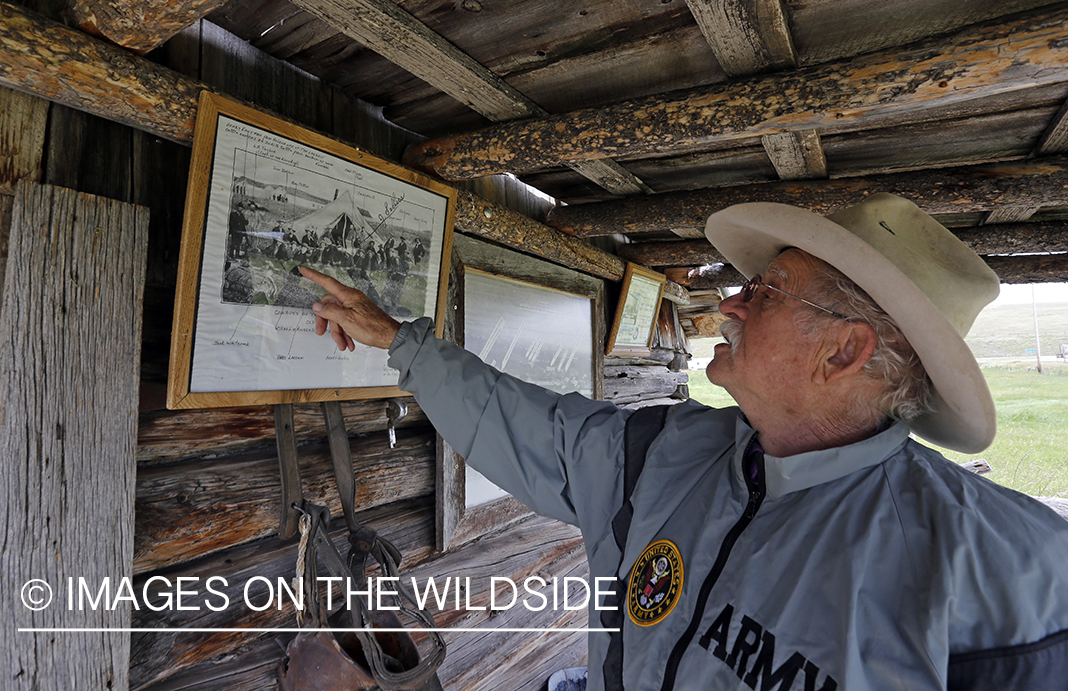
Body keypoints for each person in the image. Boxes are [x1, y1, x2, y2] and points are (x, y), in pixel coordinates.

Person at [299, 194, 1068, 691]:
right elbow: (515, 419)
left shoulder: (1009, 574)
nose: (728, 305)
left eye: (764, 291)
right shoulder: (660, 451)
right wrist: (401, 341)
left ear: (842, 353)